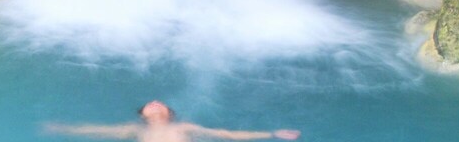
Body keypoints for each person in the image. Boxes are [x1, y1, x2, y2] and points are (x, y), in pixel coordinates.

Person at [44, 100, 300, 141]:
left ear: (170, 113)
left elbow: (227, 134)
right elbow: (98, 131)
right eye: (149, 104)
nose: (155, 102)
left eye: (160, 103)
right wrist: (63, 128)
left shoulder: (184, 127)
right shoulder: (132, 129)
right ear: (143, 115)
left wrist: (272, 133)